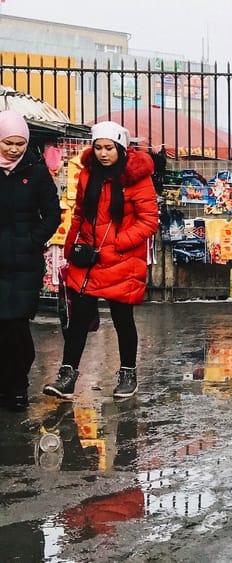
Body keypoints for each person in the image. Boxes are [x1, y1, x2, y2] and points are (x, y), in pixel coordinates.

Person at [43, 121, 158, 401]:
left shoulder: (136, 179)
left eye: (109, 148)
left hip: (121, 260)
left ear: (121, 147)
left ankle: (128, 373)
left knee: (122, 320)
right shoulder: (87, 175)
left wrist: (118, 243)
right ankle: (67, 375)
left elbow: (149, 221)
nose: (103, 153)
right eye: (98, 147)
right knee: (79, 320)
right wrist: (71, 247)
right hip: (89, 260)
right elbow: (80, 213)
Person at [0, 111, 61, 411]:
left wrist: (33, 241)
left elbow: (53, 214)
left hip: (25, 263)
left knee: (18, 327)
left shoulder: (36, 171)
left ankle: (19, 384)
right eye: (8, 143)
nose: (13, 149)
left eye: (19, 143)